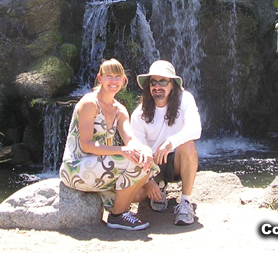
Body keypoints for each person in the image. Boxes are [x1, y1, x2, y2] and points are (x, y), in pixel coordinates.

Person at [59, 58, 156, 231]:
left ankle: (119, 210)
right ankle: (117, 216)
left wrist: (144, 150)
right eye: (109, 76)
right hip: (76, 167)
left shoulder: (120, 109)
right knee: (134, 163)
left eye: (117, 76)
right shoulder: (89, 103)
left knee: (142, 182)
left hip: (100, 167)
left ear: (124, 80)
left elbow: (130, 140)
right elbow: (87, 145)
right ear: (100, 78)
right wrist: (122, 151)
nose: (113, 81)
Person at [131, 60, 202, 226]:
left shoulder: (185, 99)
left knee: (188, 144)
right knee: (134, 196)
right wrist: (148, 181)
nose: (157, 86)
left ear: (173, 85)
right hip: (151, 165)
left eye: (163, 81)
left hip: (176, 161)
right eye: (153, 82)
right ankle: (158, 187)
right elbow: (136, 148)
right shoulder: (138, 114)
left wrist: (171, 142)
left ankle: (185, 202)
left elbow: (196, 129)